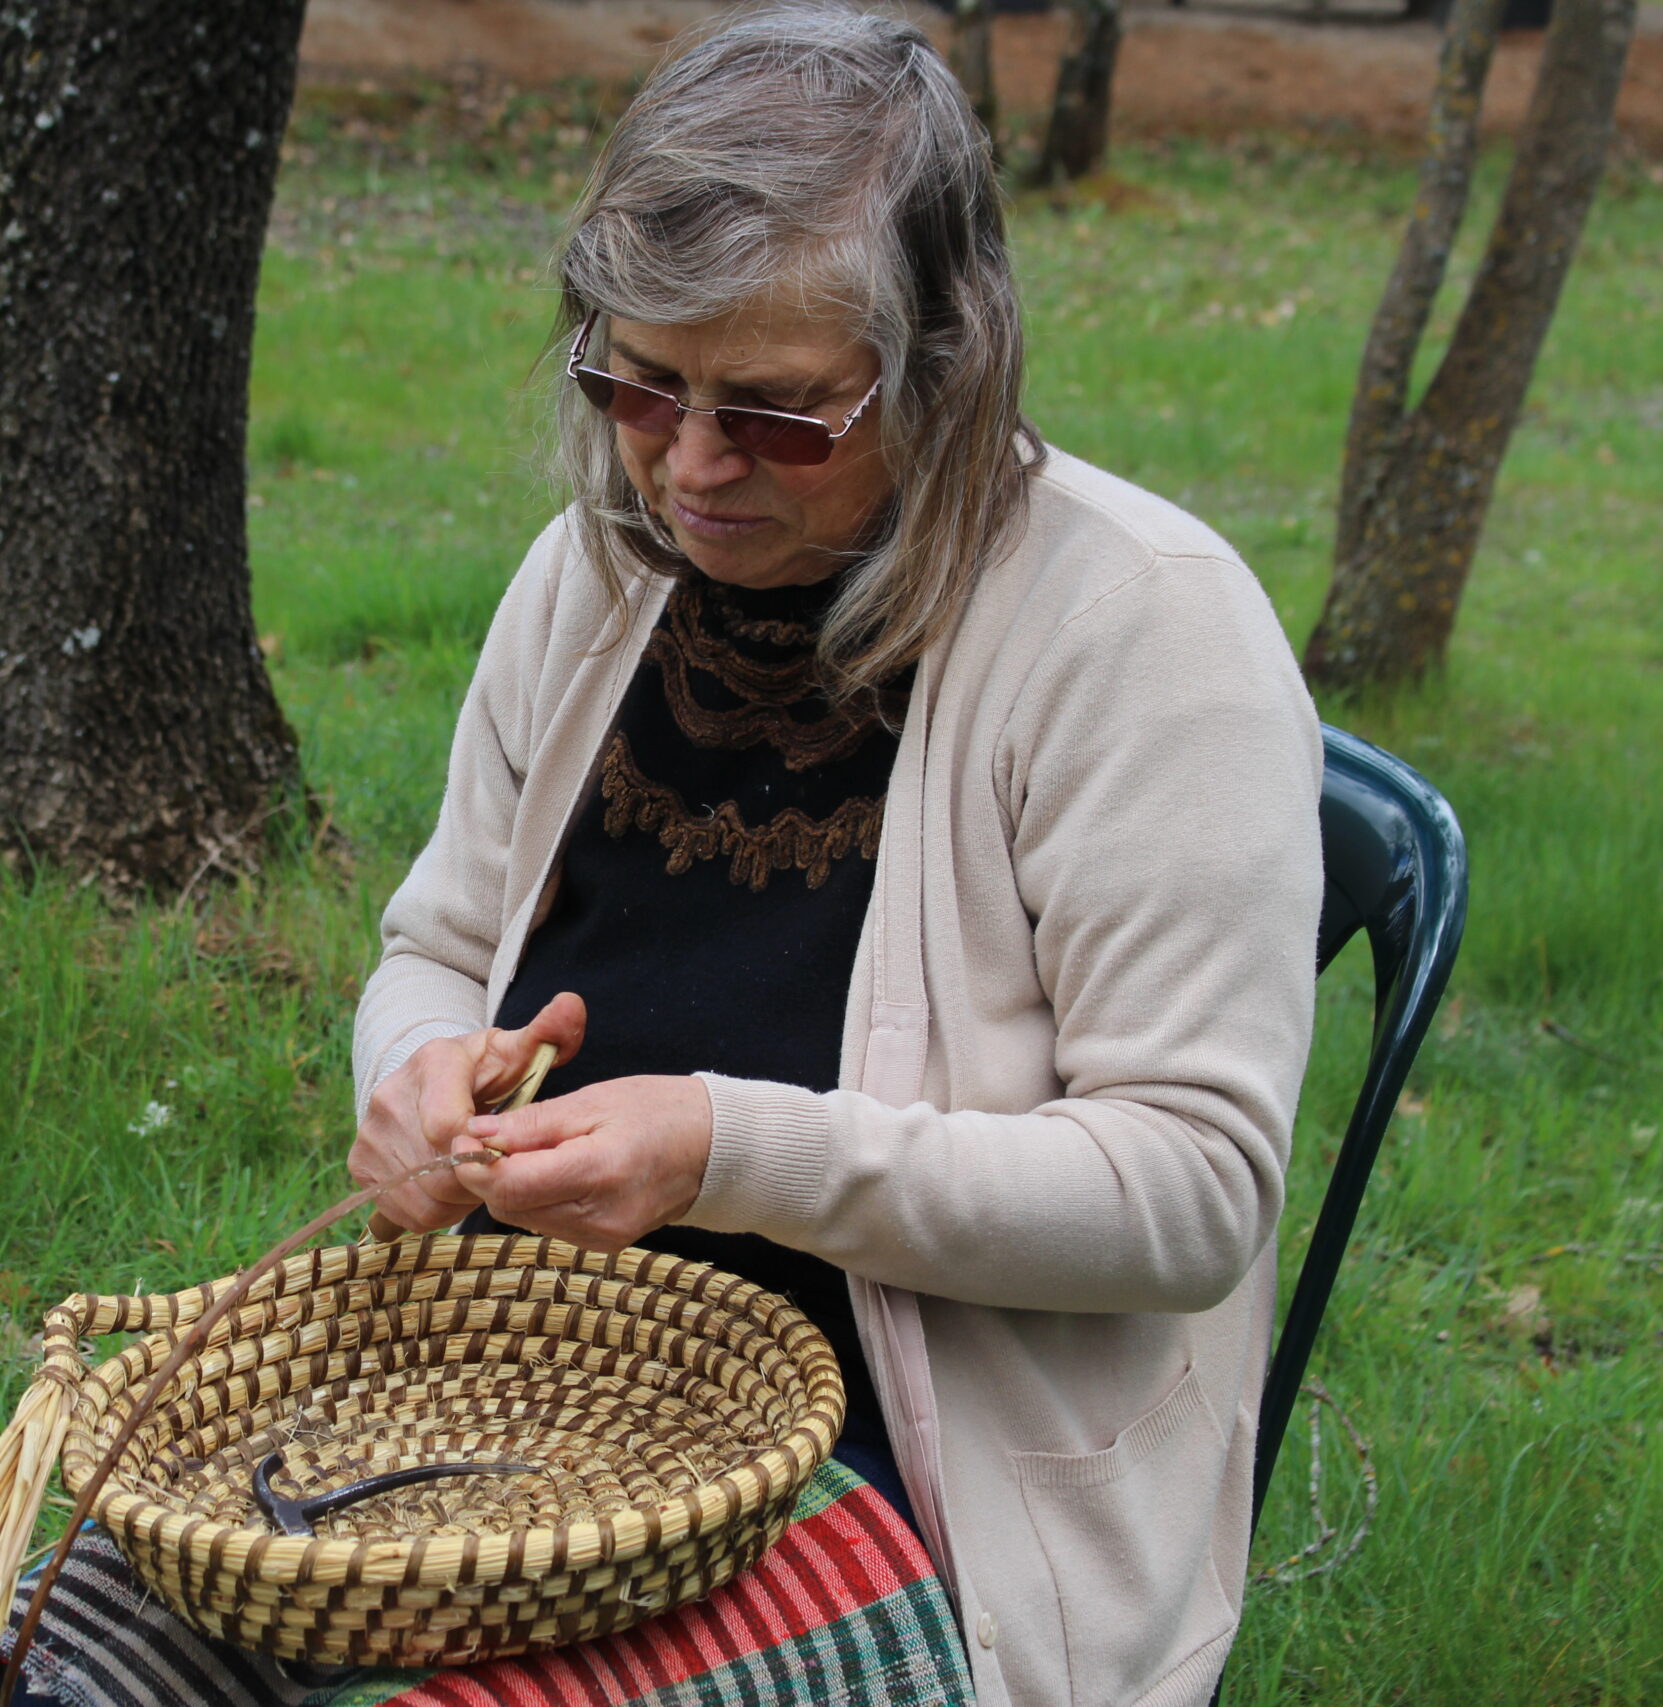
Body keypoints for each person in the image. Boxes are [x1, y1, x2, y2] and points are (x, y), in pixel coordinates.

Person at [346, 7, 1323, 1707]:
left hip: (910, 1491)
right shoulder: (601, 573)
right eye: (637, 384)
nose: (694, 465)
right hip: (542, 1384)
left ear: (947, 368)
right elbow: (441, 939)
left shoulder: (1142, 635)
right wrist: (417, 1074)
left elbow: (1189, 1194)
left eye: (779, 413)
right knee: (93, 1631)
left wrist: (729, 1151)